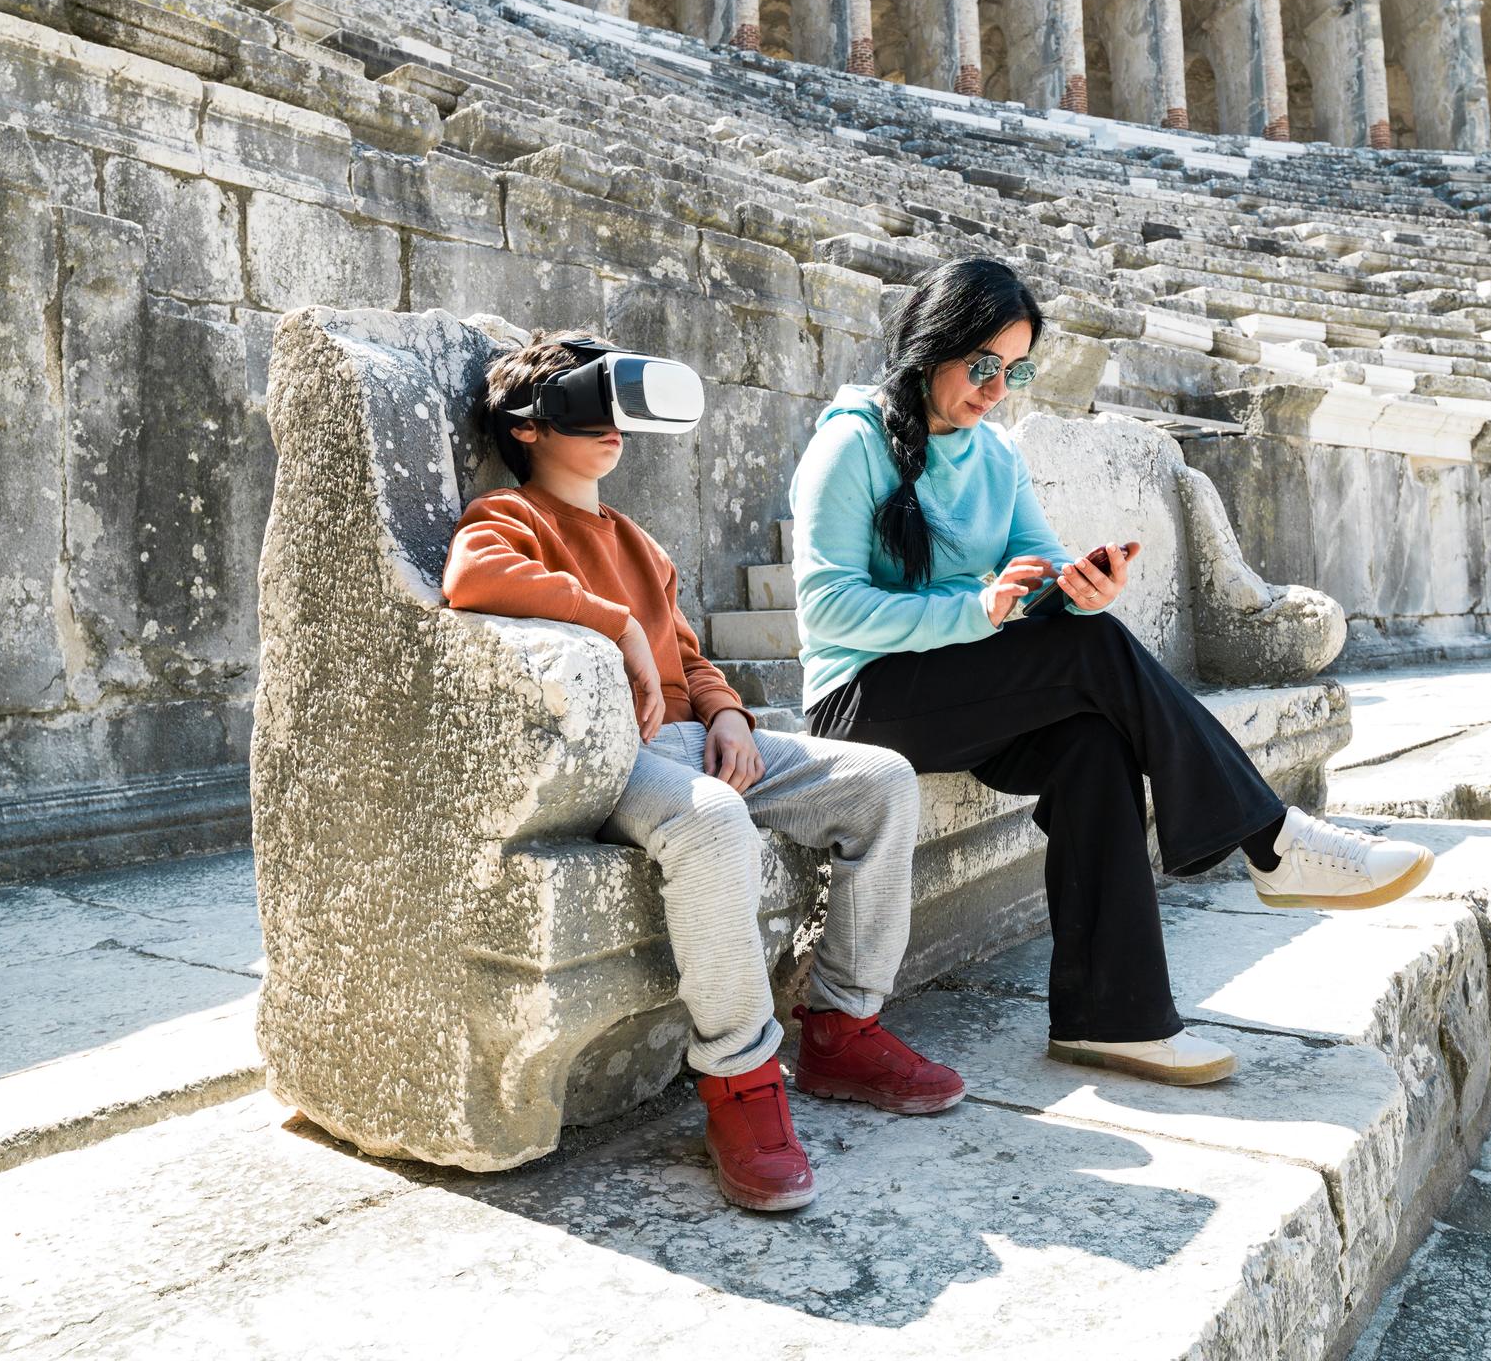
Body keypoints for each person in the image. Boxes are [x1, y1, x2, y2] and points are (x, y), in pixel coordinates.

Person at [788, 258, 1434, 1086]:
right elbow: (831, 611)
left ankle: (1114, 1019)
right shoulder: (850, 445)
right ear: (929, 346)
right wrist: (977, 611)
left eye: (1015, 371)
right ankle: (1270, 840)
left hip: (965, 692)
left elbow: (1044, 564)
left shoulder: (993, 456)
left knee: (1092, 741)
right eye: (982, 365)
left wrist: (1085, 591)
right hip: (863, 702)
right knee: (1091, 659)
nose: (996, 389)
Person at [442, 329, 965, 1212]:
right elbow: (472, 578)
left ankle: (843, 1026)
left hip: (695, 742)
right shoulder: (509, 518)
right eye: (586, 407)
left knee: (881, 780)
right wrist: (612, 626)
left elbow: (688, 656)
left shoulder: (641, 544)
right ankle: (739, 1080)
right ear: (530, 427)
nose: (612, 426)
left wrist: (726, 713)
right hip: (616, 757)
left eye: (619, 408)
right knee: (713, 818)